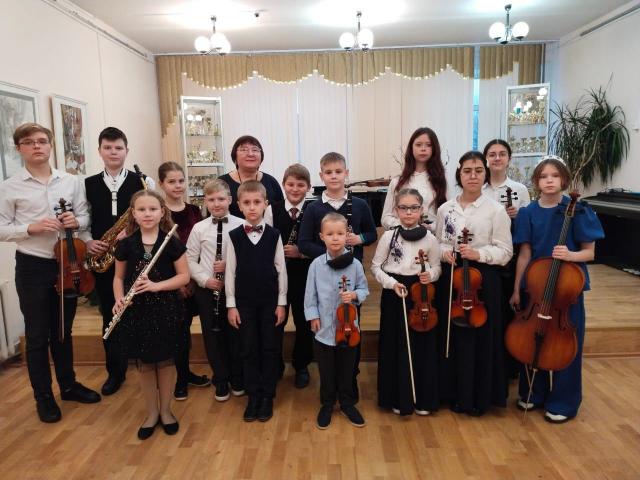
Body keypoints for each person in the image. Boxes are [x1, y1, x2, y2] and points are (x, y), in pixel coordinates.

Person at [0, 123, 100, 423]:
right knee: (36, 336)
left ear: (50, 145)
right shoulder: (9, 186)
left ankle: (68, 386)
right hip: (32, 265)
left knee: (62, 330)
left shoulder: (70, 181)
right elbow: (2, 228)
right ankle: (43, 397)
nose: (37, 146)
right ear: (19, 148)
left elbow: (84, 216)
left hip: (67, 263)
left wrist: (75, 221)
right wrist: (30, 228)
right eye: (29, 142)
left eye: (42, 141)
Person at [510, 156, 604, 423]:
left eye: (554, 175)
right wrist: (517, 289)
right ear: (536, 181)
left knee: (566, 344)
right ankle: (533, 392)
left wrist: (570, 255)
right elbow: (525, 254)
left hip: (566, 290)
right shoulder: (528, 212)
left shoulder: (578, 209)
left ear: (564, 179)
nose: (549, 180)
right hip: (536, 287)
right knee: (532, 338)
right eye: (543, 176)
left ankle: (564, 401)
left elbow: (590, 253)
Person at [434, 150, 512, 416]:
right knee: (453, 336)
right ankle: (452, 393)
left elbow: (505, 252)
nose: (473, 176)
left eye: (478, 171)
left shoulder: (495, 210)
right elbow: (439, 242)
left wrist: (479, 254)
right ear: (459, 174)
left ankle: (478, 397)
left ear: (485, 174)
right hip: (453, 279)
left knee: (480, 338)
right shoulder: (445, 209)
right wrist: (444, 252)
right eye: (467, 171)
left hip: (482, 280)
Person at [297, 152, 377, 401]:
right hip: (323, 274)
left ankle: (350, 380)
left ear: (346, 174)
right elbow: (304, 243)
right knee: (325, 331)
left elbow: (371, 234)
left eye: (338, 172)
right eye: (329, 172)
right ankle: (329, 387)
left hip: (351, 276)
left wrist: (357, 239)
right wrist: (333, 253)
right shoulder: (313, 207)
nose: (334, 176)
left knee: (352, 328)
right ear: (321, 176)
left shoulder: (359, 204)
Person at [112, 190, 190, 440]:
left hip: (166, 310)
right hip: (137, 311)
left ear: (162, 212)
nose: (147, 214)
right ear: (133, 214)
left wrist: (156, 286)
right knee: (145, 365)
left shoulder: (171, 242)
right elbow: (118, 278)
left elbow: (184, 277)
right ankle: (152, 413)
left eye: (153, 209)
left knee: (165, 363)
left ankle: (166, 411)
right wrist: (118, 299)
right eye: (142, 209)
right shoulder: (126, 244)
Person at [84, 127, 156, 396]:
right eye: (108, 147)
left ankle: (149, 365)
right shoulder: (87, 184)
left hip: (137, 255)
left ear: (127, 150)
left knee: (143, 310)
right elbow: (83, 219)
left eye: (118, 148)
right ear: (99, 151)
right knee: (110, 313)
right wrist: (88, 241)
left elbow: (154, 214)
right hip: (103, 256)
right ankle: (115, 371)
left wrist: (133, 230)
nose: (113, 152)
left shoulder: (144, 181)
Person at [371, 188, 442, 416]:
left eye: (413, 208)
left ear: (421, 210)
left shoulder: (430, 239)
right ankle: (396, 397)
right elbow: (376, 267)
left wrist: (430, 275)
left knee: (422, 345)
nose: (408, 212)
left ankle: (423, 398)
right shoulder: (388, 237)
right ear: (396, 210)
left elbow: (437, 266)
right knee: (396, 344)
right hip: (396, 291)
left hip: (421, 294)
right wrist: (392, 283)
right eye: (403, 208)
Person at [225, 180, 287, 422]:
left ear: (265, 204)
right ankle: (253, 396)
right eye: (247, 203)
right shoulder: (233, 236)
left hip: (270, 301)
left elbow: (281, 270)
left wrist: (281, 303)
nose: (252, 207)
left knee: (270, 348)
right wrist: (231, 305)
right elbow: (230, 271)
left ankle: (268, 395)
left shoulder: (274, 235)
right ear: (239, 205)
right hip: (244, 302)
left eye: (257, 202)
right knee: (248, 348)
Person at [305, 212, 369, 429]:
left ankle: (347, 403)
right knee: (326, 369)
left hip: (349, 329)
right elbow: (310, 295)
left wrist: (354, 295)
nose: (335, 238)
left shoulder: (355, 265)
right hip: (324, 327)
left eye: (340, 234)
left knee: (347, 368)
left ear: (346, 235)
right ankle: (327, 403)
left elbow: (364, 289)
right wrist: (313, 316)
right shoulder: (316, 265)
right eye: (330, 234)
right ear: (321, 236)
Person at [187, 179, 244, 402]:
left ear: (230, 200)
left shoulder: (242, 225)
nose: (217, 203)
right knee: (212, 336)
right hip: (208, 289)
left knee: (235, 334)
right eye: (211, 199)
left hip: (234, 289)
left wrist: (230, 266)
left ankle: (237, 377)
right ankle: (220, 379)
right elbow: (190, 259)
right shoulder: (199, 228)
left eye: (221, 199)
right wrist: (205, 280)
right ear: (205, 202)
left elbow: (248, 257)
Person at [157, 162, 210, 400]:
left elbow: (200, 249)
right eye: (171, 181)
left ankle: (188, 373)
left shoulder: (194, 211)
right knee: (179, 331)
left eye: (181, 181)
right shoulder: (158, 213)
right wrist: (179, 282)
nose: (178, 186)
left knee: (190, 329)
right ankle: (181, 377)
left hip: (194, 280)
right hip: (171, 283)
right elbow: (160, 254)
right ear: (161, 184)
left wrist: (193, 278)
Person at [482, 138, 531, 380]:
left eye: (502, 154)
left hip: (511, 254)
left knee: (510, 309)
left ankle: (511, 365)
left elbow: (528, 222)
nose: (497, 158)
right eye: (492, 154)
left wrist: (517, 215)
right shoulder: (479, 188)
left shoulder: (519, 189)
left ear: (509, 159)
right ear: (486, 159)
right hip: (485, 255)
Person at [266, 164, 314, 388]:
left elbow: (320, 242)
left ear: (309, 187)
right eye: (290, 184)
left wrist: (300, 252)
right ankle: (275, 365)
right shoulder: (271, 209)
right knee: (276, 322)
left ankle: (301, 365)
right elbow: (265, 240)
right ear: (283, 185)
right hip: (277, 276)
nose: (295, 189)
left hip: (306, 274)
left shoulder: (314, 209)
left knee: (305, 322)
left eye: (300, 185)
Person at [381, 127, 449, 230]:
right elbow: (385, 218)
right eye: (418, 144)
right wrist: (405, 225)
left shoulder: (441, 181)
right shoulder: (397, 182)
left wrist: (430, 227)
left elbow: (447, 218)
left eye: (428, 145)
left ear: (434, 149)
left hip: (430, 236)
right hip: (401, 235)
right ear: (411, 148)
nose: (423, 148)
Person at [218, 135, 284, 218]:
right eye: (244, 149)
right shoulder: (221, 183)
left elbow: (281, 214)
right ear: (235, 156)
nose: (250, 154)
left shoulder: (271, 182)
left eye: (255, 150)